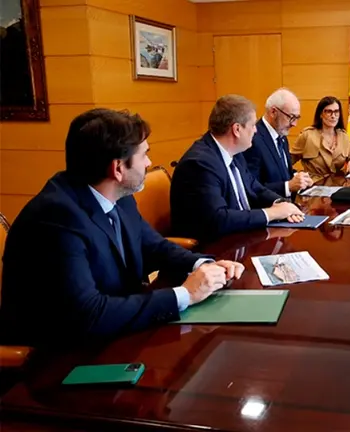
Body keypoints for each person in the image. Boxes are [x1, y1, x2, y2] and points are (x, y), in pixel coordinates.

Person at [0, 108, 245, 347]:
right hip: (58, 356)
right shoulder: (55, 218)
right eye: (144, 155)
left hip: (116, 330)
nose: (149, 163)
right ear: (118, 169)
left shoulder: (119, 196)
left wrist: (204, 265)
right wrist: (185, 295)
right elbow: (88, 314)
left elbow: (153, 246)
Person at [171, 95, 304, 242]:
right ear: (237, 129)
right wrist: (271, 213)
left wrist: (282, 204)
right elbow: (218, 219)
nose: (256, 130)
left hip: (242, 236)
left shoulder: (235, 153)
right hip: (215, 246)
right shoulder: (200, 164)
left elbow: (254, 187)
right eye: (252, 125)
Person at [242, 88, 312, 197]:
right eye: (291, 117)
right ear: (273, 112)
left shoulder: (281, 136)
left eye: (297, 118)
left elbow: (283, 172)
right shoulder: (253, 140)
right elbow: (251, 187)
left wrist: (299, 177)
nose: (294, 124)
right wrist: (287, 187)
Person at [290, 96, 350, 183]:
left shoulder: (343, 136)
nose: (333, 116)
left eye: (336, 112)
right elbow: (287, 162)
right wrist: (294, 177)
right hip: (313, 186)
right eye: (329, 112)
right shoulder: (307, 135)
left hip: (337, 186)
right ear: (320, 114)